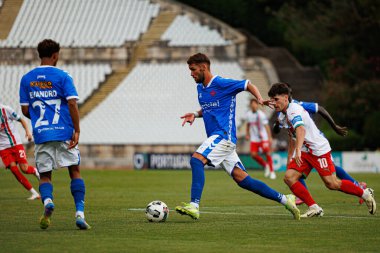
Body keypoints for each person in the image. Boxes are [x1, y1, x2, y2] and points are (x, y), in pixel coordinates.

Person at [175, 53, 300, 220]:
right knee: (243, 180)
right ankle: (286, 199)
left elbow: (248, 84)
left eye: (193, 69)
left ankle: (194, 205)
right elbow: (208, 108)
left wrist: (260, 98)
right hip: (220, 139)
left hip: (223, 136)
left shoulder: (221, 83)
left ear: (203, 67)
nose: (191, 74)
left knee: (196, 160)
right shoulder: (201, 88)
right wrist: (195, 114)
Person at [268, 82, 376, 217]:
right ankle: (314, 207)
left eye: (276, 99)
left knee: (332, 183)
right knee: (289, 177)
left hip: (318, 150)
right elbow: (286, 132)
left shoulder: (294, 109)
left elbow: (300, 129)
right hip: (307, 151)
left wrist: (297, 152)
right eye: (272, 100)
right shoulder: (283, 114)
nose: (274, 103)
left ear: (285, 97)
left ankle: (365, 194)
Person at [19, 39, 90, 230]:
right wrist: (77, 129)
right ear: (55, 55)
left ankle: (48, 201)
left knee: (45, 175)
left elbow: (25, 110)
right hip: (64, 132)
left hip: (42, 134)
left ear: (39, 54)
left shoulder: (26, 79)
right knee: (74, 171)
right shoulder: (63, 76)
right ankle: (80, 214)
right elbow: (73, 104)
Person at [0, 103, 40, 200]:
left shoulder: (6, 109)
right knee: (14, 170)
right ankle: (34, 193)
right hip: (3, 147)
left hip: (16, 143)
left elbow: (21, 120)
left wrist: (28, 132)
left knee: (24, 169)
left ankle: (35, 171)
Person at [245, 98, 276, 179]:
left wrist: (269, 138)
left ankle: (272, 172)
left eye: (255, 104)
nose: (253, 106)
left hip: (263, 138)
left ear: (257, 105)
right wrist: (247, 134)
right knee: (253, 155)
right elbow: (248, 125)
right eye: (252, 104)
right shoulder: (248, 114)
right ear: (250, 105)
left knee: (267, 153)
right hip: (254, 138)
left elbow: (267, 126)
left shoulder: (261, 114)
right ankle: (266, 165)